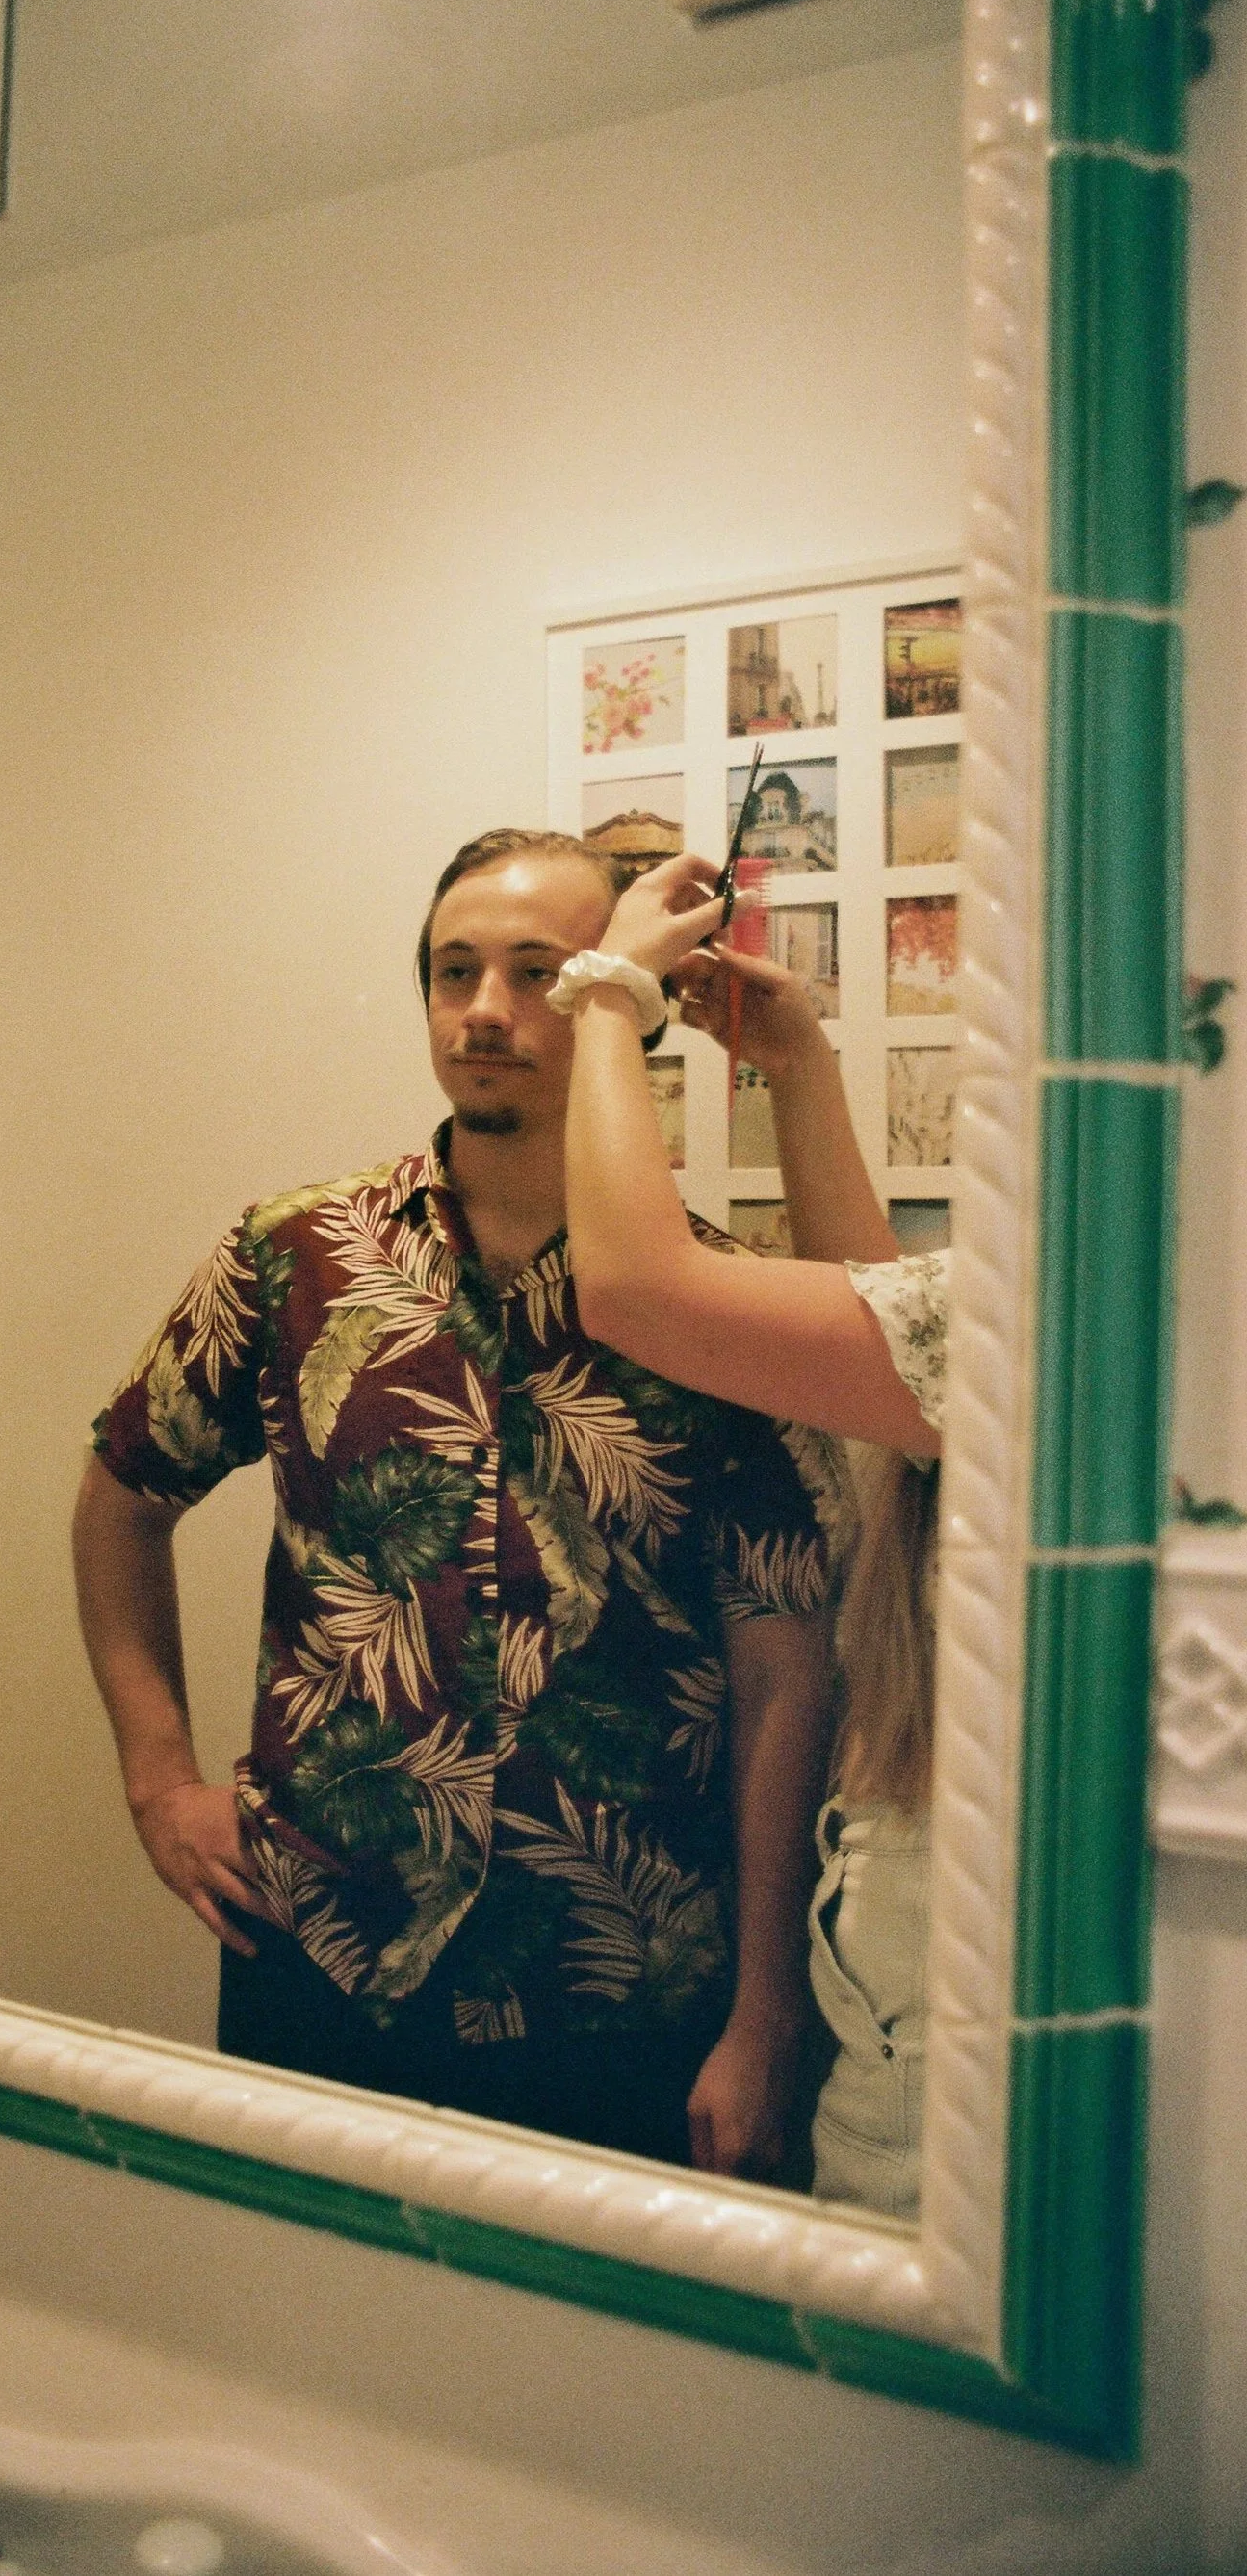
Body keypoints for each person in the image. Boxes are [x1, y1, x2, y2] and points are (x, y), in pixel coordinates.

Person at [73, 828, 851, 2177]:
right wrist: (157, 1779)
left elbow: (785, 1670)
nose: (487, 1009)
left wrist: (770, 2005)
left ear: (623, 1003)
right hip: (324, 1962)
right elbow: (121, 1493)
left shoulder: (714, 1306)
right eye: (455, 971)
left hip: (626, 2001)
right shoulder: (294, 1256)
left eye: (541, 973)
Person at [561, 851, 947, 2217]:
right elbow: (895, 1318)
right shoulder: (996, 1322)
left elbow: (632, 1287)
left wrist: (607, 994)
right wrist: (799, 1066)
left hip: (928, 2021)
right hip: (899, 1988)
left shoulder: (1039, 1315)